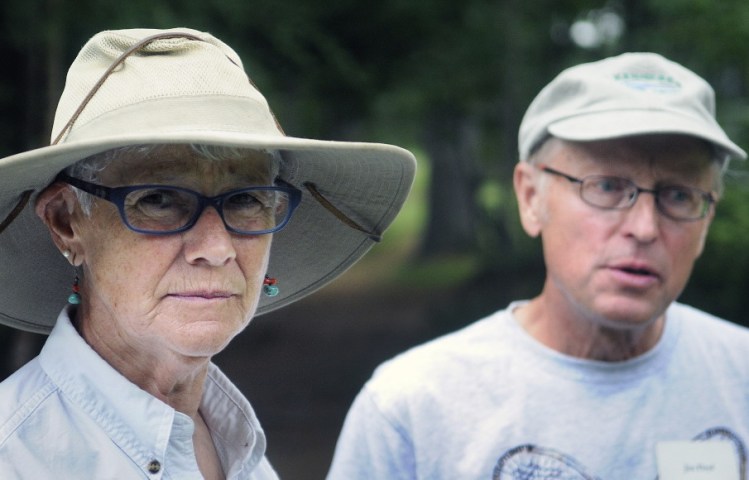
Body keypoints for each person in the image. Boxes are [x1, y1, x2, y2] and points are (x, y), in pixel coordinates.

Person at [0, 28, 415, 479]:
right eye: (158, 199)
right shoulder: (17, 456)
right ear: (67, 223)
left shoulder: (237, 446)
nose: (216, 249)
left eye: (246, 200)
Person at [327, 52, 749, 480]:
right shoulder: (413, 408)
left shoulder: (740, 377)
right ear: (531, 197)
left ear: (708, 217)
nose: (644, 227)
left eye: (679, 195)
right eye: (606, 186)